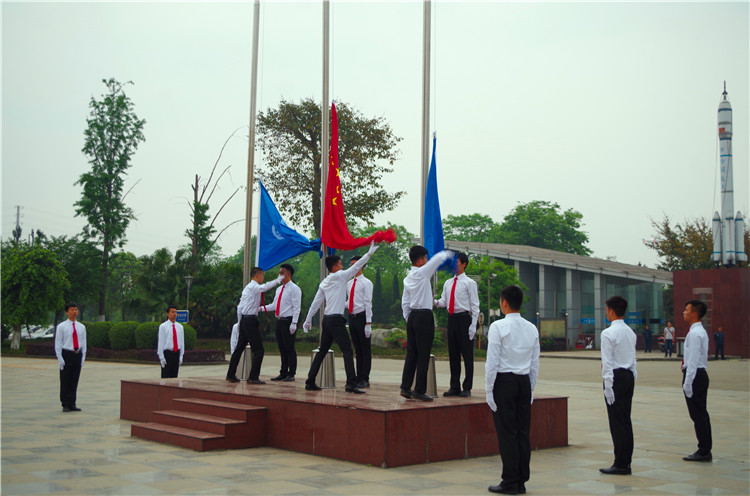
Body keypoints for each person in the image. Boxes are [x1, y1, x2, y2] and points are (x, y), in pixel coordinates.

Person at [302, 242, 379, 394]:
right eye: (340, 264)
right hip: (336, 321)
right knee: (347, 351)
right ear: (335, 266)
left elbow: (316, 303)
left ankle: (310, 381)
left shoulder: (324, 282)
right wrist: (369, 253)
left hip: (326, 320)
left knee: (322, 351)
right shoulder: (341, 276)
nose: (343, 266)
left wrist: (308, 319)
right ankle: (351, 384)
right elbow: (357, 266)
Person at [485, 285, 540, 495]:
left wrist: (489, 390)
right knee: (523, 433)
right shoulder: (531, 328)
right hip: (523, 381)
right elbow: (535, 362)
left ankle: (509, 481)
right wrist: (530, 387)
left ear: (504, 303)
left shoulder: (498, 327)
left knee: (507, 433)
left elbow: (492, 361)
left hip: (504, 381)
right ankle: (521, 480)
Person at [399, 245, 454, 402]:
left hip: (412, 316)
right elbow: (438, 259)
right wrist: (449, 253)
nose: (427, 260)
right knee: (423, 354)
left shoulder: (408, 277)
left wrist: (409, 318)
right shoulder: (422, 273)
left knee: (412, 353)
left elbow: (405, 302)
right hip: (424, 316)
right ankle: (419, 390)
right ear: (420, 261)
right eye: (425, 258)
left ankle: (405, 386)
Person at [599, 295, 637, 476]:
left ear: (612, 311)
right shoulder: (630, 332)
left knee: (617, 422)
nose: (606, 313)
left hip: (615, 377)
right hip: (628, 375)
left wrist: (608, 385)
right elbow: (633, 358)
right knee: (625, 420)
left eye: (607, 310)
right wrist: (633, 375)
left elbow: (607, 362)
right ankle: (626, 461)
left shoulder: (608, 333)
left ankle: (620, 463)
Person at [226, 267, 283, 384]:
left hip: (245, 320)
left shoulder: (248, 288)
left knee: (239, 349)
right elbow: (264, 287)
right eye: (262, 275)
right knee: (259, 350)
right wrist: (277, 280)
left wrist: (240, 322)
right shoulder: (253, 287)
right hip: (250, 321)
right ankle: (253, 377)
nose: (263, 278)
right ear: (257, 275)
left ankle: (230, 374)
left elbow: (239, 307)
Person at [435, 252, 479, 397]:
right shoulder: (448, 283)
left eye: (456, 262)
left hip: (464, 318)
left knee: (467, 355)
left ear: (464, 264)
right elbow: (444, 301)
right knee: (453, 354)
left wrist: (473, 325)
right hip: (452, 319)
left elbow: (475, 306)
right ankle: (454, 386)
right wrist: (435, 302)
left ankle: (467, 387)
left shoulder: (469, 283)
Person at [682, 299, 712, 462]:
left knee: (698, 415)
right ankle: (704, 448)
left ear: (694, 314)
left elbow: (693, 361)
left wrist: (688, 382)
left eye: (687, 310)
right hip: (697, 375)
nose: (684, 312)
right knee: (700, 414)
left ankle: (704, 450)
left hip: (695, 376)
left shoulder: (695, 334)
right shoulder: (698, 331)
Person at [262, 263, 302, 382]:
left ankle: (291, 373)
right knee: (282, 348)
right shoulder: (279, 289)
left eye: (282, 273)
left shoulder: (294, 288)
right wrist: (260, 308)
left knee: (289, 348)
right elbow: (274, 305)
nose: (279, 275)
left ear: (288, 274)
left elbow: (297, 307)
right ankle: (283, 372)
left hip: (288, 321)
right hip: (279, 321)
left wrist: (294, 323)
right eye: (279, 272)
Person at [347, 256, 374, 388]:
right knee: (357, 349)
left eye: (355, 264)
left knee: (365, 349)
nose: (352, 266)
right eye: (351, 264)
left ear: (362, 265)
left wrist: (368, 323)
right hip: (352, 317)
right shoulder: (349, 283)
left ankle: (364, 377)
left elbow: (368, 302)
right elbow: (350, 301)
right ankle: (358, 376)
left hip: (362, 317)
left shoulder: (366, 283)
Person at [55, 303, 87, 412]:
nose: (74, 312)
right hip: (66, 354)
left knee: (74, 381)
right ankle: (65, 403)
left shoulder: (81, 327)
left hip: (77, 354)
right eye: (72, 310)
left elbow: (84, 343)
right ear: (67, 312)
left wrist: (83, 357)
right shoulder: (62, 327)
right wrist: (60, 358)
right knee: (65, 381)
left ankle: (72, 403)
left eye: (76, 309)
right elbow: (58, 343)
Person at [157, 305, 184, 378]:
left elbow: (181, 342)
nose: (174, 314)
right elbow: (161, 342)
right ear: (168, 314)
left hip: (176, 353)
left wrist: (181, 355)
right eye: (172, 312)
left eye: (175, 312)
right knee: (165, 376)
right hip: (167, 353)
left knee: (174, 377)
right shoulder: (163, 326)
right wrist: (161, 357)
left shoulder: (180, 327)